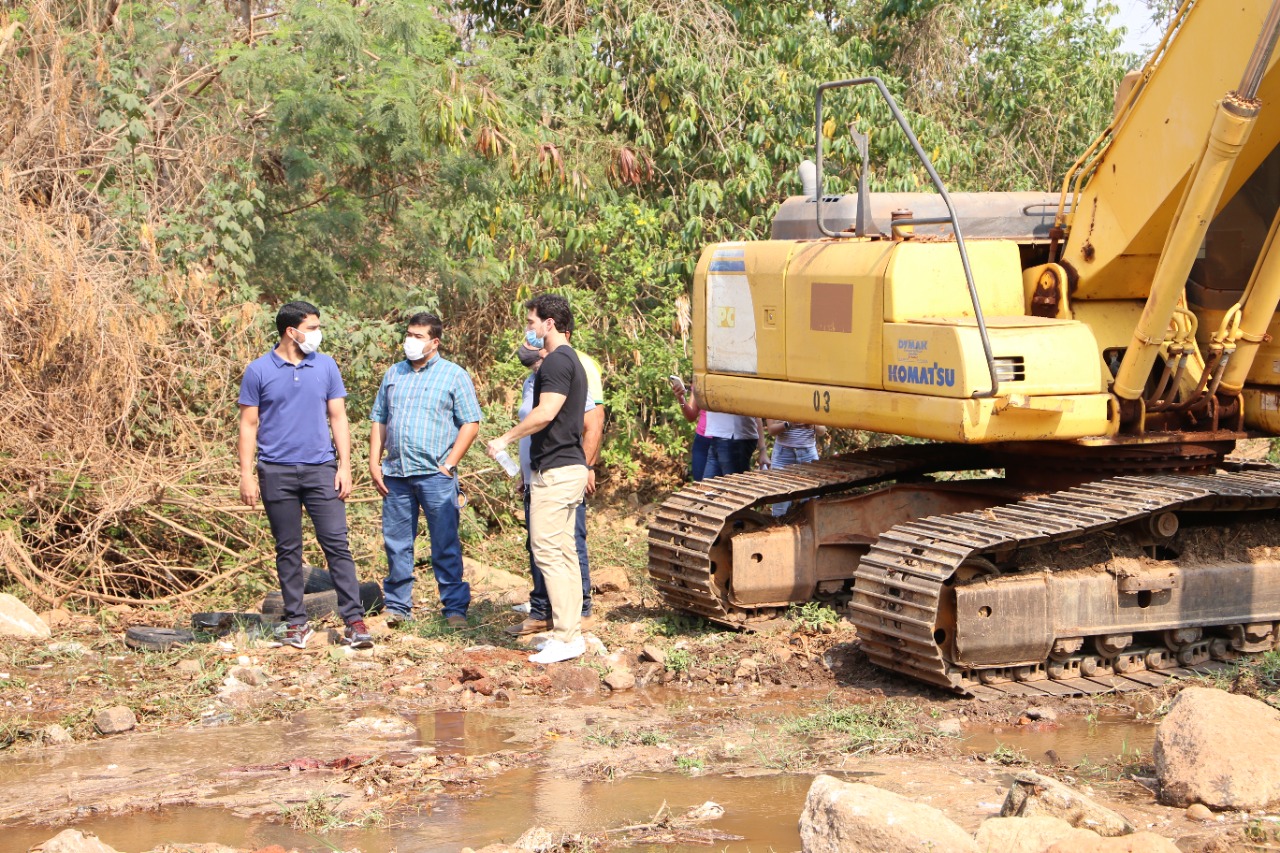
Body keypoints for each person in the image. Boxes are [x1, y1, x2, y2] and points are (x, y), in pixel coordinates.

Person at [238, 300, 372, 650]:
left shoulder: (325, 366)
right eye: (312, 327)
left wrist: (345, 465)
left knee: (337, 545)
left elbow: (338, 417)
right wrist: (246, 475)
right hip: (276, 471)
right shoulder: (258, 371)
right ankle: (297, 622)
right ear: (291, 331)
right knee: (288, 549)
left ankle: (355, 621)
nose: (317, 334)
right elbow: (248, 424)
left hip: (321, 469)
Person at [487, 294, 589, 664]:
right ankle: (569, 632)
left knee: (548, 551)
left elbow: (546, 413)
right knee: (562, 553)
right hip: (563, 467)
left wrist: (505, 438)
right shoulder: (568, 359)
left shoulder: (558, 361)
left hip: (558, 470)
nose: (528, 329)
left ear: (549, 323)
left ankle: (566, 636)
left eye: (532, 322)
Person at [369, 312, 482, 629]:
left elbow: (470, 423)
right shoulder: (394, 374)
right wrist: (373, 462)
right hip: (396, 473)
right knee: (396, 544)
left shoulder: (453, 375)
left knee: (444, 543)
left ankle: (455, 609)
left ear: (435, 342)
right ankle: (397, 607)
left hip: (435, 474)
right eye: (408, 335)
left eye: (418, 336)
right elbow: (379, 419)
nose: (410, 341)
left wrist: (449, 464)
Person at [506, 339, 601, 637]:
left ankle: (576, 617)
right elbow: (533, 426)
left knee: (566, 544)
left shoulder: (569, 368)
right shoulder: (531, 381)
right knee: (540, 545)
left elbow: (592, 423)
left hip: (562, 470)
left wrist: (586, 466)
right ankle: (544, 611)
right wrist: (524, 470)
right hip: (536, 472)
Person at [765, 419, 826, 515]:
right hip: (783, 455)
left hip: (808, 454)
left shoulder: (813, 403)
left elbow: (822, 431)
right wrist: (789, 424)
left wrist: (812, 425)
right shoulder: (777, 403)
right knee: (780, 501)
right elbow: (771, 430)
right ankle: (779, 528)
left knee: (812, 501)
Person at [702, 412, 767, 479]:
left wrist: (762, 450)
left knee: (734, 484)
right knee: (708, 486)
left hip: (733, 437)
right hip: (718, 434)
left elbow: (756, 414)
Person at [670, 380, 709, 481]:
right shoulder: (699, 378)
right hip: (702, 440)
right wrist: (681, 399)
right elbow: (691, 416)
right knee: (700, 485)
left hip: (725, 440)